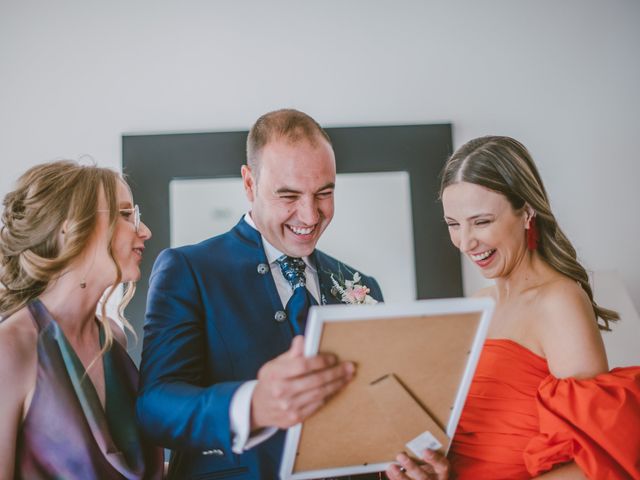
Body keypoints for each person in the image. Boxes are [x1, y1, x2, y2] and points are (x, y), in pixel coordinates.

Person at [137, 109, 388, 479]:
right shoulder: (188, 269)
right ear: (250, 184)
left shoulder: (361, 284)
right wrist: (252, 405)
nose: (309, 215)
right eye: (288, 195)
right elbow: (155, 408)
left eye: (325, 193)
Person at [398, 135, 640, 480]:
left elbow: (591, 462)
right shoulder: (477, 305)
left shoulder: (559, 302)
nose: (465, 242)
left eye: (481, 222)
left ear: (526, 212)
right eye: (454, 224)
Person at [0, 161, 163, 479]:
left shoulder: (112, 338)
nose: (144, 231)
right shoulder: (11, 348)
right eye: (126, 215)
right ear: (71, 226)